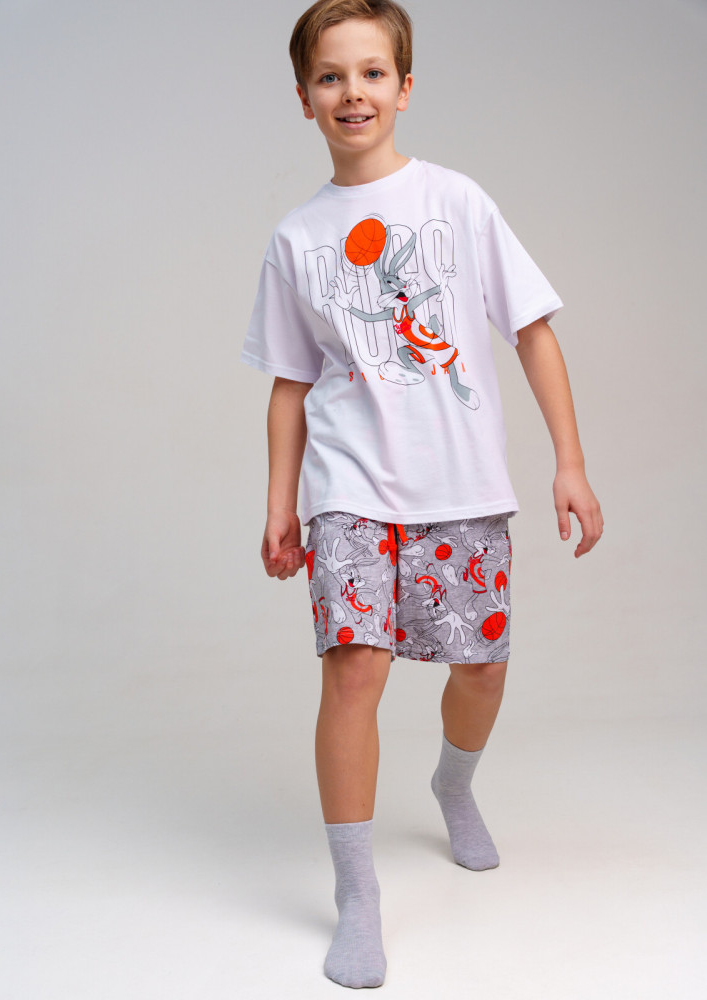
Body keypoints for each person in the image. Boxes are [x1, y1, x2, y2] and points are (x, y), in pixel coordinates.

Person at [240, 0, 603, 988]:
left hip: (461, 484)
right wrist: (280, 501)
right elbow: (289, 383)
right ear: (305, 98)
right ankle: (358, 894)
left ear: (404, 88)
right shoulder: (296, 237)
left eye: (371, 73)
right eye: (330, 76)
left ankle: (453, 783)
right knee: (353, 671)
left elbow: (531, 331)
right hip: (350, 488)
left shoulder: (457, 202)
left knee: (480, 669)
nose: (351, 92)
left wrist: (569, 461)